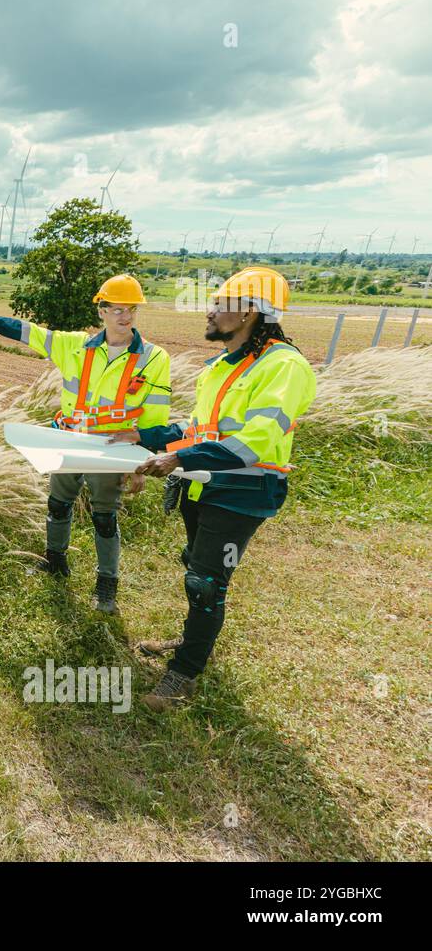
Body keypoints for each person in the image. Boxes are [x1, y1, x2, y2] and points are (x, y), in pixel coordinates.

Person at [117, 266, 317, 711]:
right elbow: (199, 429)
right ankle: (193, 639)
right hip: (203, 486)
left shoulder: (284, 366)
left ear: (249, 311)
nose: (210, 311)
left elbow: (257, 440)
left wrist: (179, 459)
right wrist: (146, 438)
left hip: (244, 491)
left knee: (206, 583)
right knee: (196, 568)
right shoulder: (223, 366)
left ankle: (183, 675)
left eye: (221, 304)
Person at [0, 273, 171, 613]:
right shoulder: (74, 346)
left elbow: (155, 418)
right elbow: (31, 333)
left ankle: (106, 586)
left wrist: (140, 463)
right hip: (68, 440)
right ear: (101, 311)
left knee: (104, 517)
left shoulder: (154, 359)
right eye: (116, 309)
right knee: (58, 504)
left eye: (131, 310)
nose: (125, 317)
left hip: (112, 451)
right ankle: (55, 562)